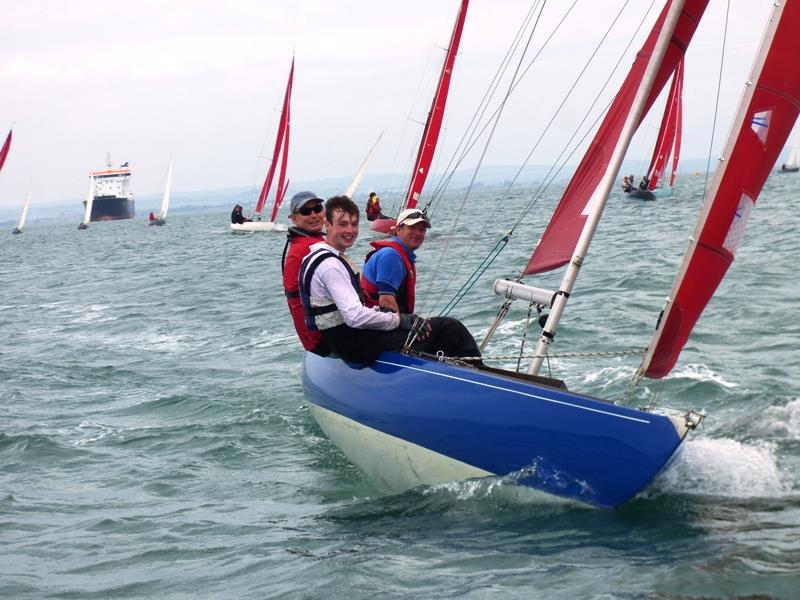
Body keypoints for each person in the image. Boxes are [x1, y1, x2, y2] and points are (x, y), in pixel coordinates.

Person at [298, 196, 481, 364]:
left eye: (354, 224)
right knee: (450, 329)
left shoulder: (316, 256)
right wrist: (400, 320)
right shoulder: (332, 265)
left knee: (430, 329)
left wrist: (395, 318)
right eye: (343, 224)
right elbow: (355, 316)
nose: (350, 230)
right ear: (327, 224)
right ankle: (478, 377)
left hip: (343, 339)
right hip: (353, 345)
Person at [281, 191, 328, 355]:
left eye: (317, 208)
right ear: (293, 218)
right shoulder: (304, 249)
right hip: (323, 339)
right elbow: (296, 303)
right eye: (306, 212)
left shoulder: (313, 242)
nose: (314, 215)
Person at [361, 207, 430, 314]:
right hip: (379, 325)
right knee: (451, 327)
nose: (418, 233)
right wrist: (404, 323)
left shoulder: (402, 255)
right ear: (398, 230)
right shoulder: (390, 255)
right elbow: (386, 301)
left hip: (387, 322)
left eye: (422, 230)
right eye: (412, 227)